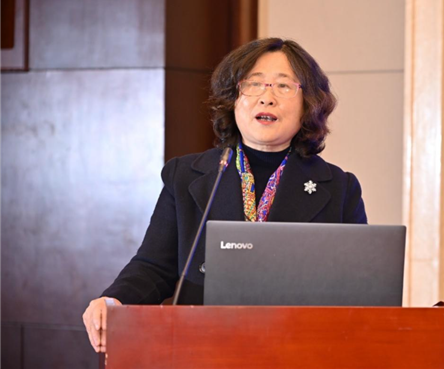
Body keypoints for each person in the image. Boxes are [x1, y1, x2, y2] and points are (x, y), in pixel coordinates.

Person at [82, 38, 368, 352]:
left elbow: (361, 288)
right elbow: (154, 267)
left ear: (308, 104)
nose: (267, 97)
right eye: (253, 84)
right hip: (203, 347)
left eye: (284, 86)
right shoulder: (187, 176)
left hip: (298, 348)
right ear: (233, 99)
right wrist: (113, 299)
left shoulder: (339, 188)